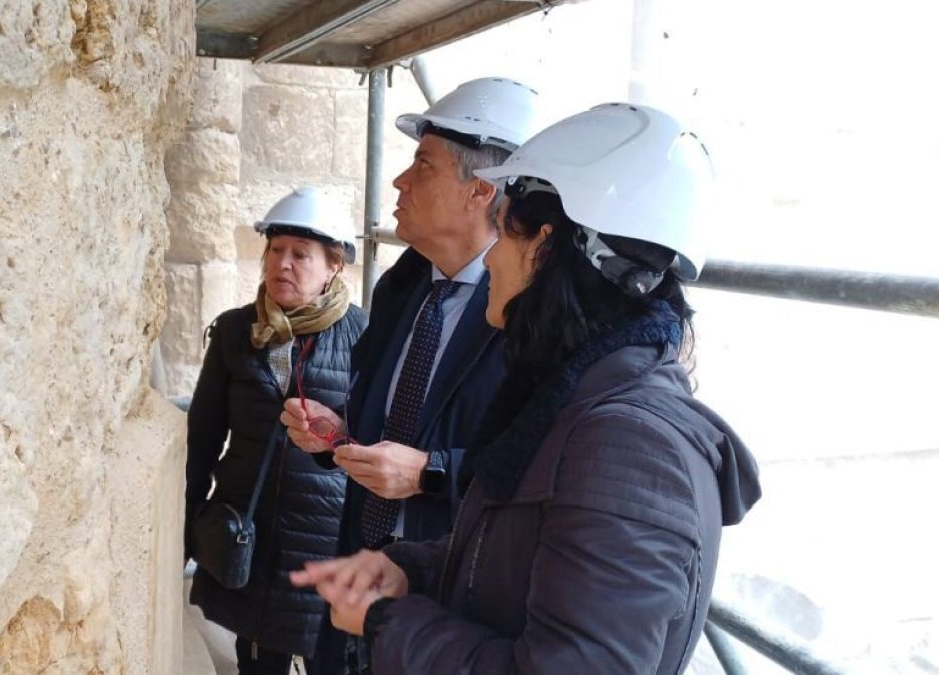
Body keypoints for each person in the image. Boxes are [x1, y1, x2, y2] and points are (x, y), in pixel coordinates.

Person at [290, 103, 763, 674]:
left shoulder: (629, 448)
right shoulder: (573, 399)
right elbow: (514, 556)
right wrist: (410, 570)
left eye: (505, 232)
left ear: (546, 245)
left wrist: (388, 619)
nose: (491, 261)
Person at [280, 77, 544, 674]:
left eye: (422, 165)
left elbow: (531, 466)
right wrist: (336, 435)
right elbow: (383, 423)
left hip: (447, 607)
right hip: (359, 582)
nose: (399, 181)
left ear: (480, 190)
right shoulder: (402, 287)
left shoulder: (528, 319)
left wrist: (432, 473)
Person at [185, 186, 368, 674]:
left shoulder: (364, 337)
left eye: (300, 255)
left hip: (324, 546)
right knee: (256, 662)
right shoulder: (233, 332)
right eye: (275, 250)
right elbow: (202, 440)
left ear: (333, 267)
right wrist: (189, 526)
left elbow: (376, 439)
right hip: (250, 535)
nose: (282, 264)